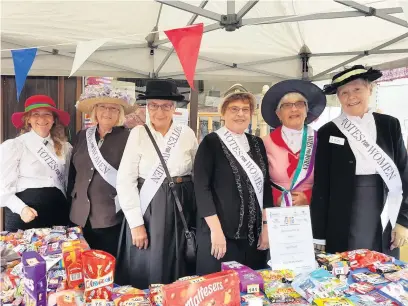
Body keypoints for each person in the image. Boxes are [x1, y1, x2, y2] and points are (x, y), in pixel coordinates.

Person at [311, 65, 408, 257]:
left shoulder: (390, 125)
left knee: (381, 269)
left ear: (370, 89)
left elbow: (404, 174)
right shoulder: (327, 131)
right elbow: (321, 186)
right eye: (344, 92)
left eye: (357, 89)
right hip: (341, 213)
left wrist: (403, 221)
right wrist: (319, 235)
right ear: (338, 98)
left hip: (385, 208)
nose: (351, 96)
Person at [115, 80, 198, 288]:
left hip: (181, 209)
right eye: (153, 105)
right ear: (146, 106)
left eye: (166, 106)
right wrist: (136, 224)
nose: (159, 111)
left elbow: (198, 173)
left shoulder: (187, 134)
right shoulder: (138, 134)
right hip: (148, 210)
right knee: (149, 265)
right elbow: (125, 180)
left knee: (179, 263)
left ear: (174, 108)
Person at [194, 84, 272, 275]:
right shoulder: (211, 142)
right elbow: (201, 189)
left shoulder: (257, 143)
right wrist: (216, 231)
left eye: (245, 109)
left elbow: (266, 187)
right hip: (220, 235)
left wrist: (265, 227)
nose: (240, 114)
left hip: (253, 237)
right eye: (234, 109)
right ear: (223, 113)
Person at [67, 85, 137, 256]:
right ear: (95, 111)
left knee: (107, 265)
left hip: (110, 217)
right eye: (103, 107)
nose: (107, 112)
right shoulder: (82, 136)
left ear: (120, 113)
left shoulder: (129, 138)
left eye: (113, 108)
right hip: (78, 216)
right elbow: (72, 174)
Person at [0, 95, 72, 232]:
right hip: (26, 215)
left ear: (53, 120)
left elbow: (67, 181)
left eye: (47, 114)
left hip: (57, 212)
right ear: (28, 120)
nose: (42, 119)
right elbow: (1, 186)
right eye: (36, 114)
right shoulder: (15, 146)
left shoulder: (65, 148)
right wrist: (20, 208)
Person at [261, 80, 326, 206]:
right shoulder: (264, 143)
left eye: (300, 104)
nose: (294, 109)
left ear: (307, 110)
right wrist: (277, 199)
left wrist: (308, 197)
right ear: (278, 114)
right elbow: (259, 181)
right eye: (286, 105)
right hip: (276, 212)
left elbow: (330, 179)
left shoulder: (321, 140)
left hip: (312, 211)